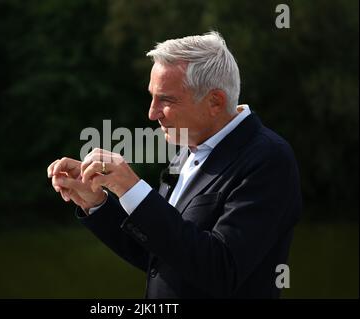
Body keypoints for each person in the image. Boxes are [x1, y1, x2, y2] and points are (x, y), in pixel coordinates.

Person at [47, 31, 302, 298]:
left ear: (215, 101)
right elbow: (158, 254)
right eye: (152, 97)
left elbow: (221, 270)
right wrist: (96, 203)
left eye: (166, 100)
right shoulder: (186, 150)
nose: (152, 112)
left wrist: (133, 189)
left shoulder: (270, 159)